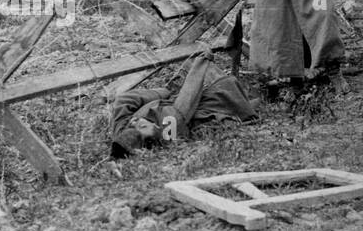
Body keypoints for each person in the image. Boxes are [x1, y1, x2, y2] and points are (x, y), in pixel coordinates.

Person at [109, 53, 257, 157]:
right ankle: (259, 95)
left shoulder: (121, 130)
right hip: (203, 108)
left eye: (137, 123)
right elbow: (189, 98)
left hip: (171, 99)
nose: (138, 122)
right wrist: (202, 62)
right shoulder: (169, 126)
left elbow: (124, 99)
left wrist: (163, 92)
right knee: (226, 86)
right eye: (143, 128)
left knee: (187, 64)